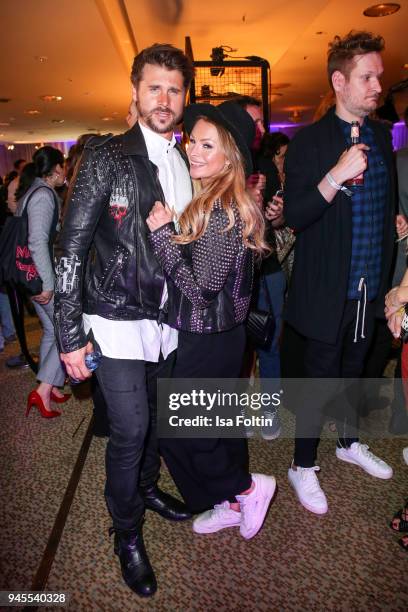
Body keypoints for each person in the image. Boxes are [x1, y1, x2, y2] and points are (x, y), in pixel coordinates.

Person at [53, 43, 194, 598]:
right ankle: (126, 532)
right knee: (130, 429)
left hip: (166, 318)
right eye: (154, 87)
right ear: (134, 92)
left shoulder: (183, 160)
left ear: (184, 98)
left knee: (156, 420)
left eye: (174, 89)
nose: (164, 99)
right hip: (113, 318)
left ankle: (148, 489)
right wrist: (67, 335)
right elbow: (71, 246)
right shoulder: (108, 156)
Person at [147, 101, 277, 540]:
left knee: (189, 431)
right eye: (193, 141)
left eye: (208, 145)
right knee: (205, 429)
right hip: (217, 336)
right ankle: (228, 501)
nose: (195, 151)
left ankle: (245, 488)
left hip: (210, 337)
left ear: (231, 157)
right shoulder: (214, 199)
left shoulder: (223, 209)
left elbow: (200, 290)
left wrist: (163, 236)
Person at [283, 30, 395, 515]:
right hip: (329, 288)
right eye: (366, 77)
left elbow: (381, 202)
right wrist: (336, 175)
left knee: (360, 370)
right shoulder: (310, 142)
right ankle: (302, 464)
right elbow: (295, 214)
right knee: (319, 379)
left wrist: (395, 220)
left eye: (379, 77)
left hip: (372, 283)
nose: (377, 85)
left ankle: (349, 443)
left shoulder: (382, 137)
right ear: (339, 81)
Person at [15, 150, 70, 417]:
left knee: (51, 330)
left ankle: (51, 386)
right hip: (41, 277)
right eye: (64, 168)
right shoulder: (44, 196)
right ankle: (43, 391)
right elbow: (37, 242)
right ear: (57, 168)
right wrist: (47, 284)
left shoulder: (33, 192)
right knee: (63, 331)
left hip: (30, 276)